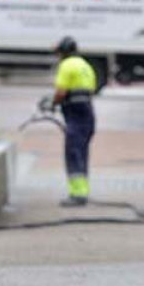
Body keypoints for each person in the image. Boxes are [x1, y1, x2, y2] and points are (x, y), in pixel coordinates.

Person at [51, 36, 97, 207]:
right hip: (88, 116)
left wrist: (52, 103)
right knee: (82, 152)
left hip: (75, 118)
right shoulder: (85, 65)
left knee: (73, 153)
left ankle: (77, 195)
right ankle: (83, 191)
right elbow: (90, 91)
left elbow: (61, 92)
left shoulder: (66, 65)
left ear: (63, 51)